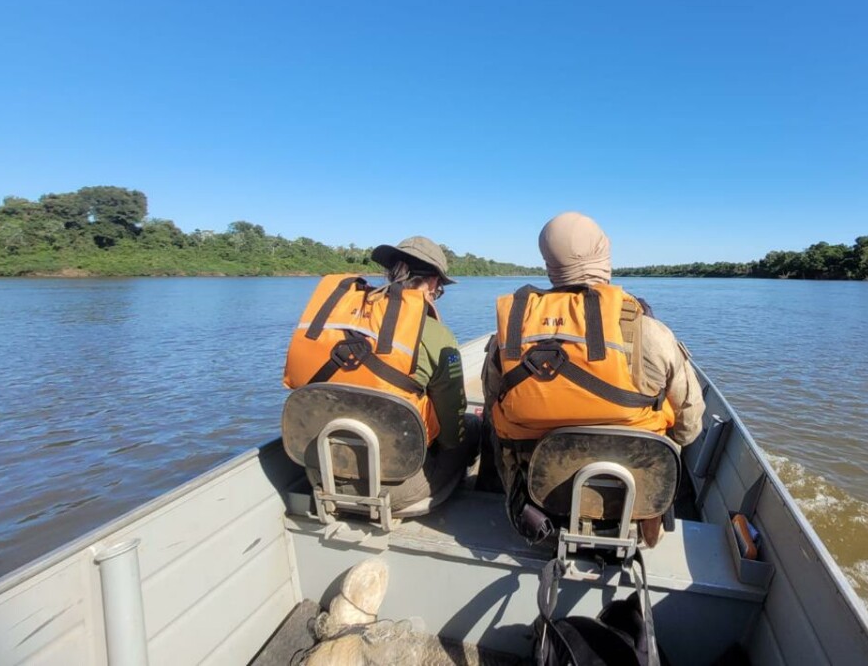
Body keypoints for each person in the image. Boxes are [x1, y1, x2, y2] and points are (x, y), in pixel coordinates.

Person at [481, 212, 704, 540]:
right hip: (633, 506)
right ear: (604, 257)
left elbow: (492, 407)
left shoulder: (507, 338)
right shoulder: (651, 333)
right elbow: (689, 427)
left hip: (539, 506)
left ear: (549, 264)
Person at [284, 235, 478, 517]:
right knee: (472, 427)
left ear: (390, 274)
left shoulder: (330, 324)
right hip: (394, 489)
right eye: (439, 289)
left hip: (320, 474)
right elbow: (451, 425)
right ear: (433, 283)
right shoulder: (436, 335)